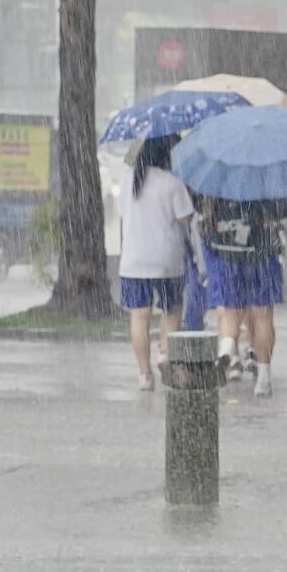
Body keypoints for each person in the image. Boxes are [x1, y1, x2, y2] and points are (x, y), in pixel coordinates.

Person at [198, 195, 287, 398]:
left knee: (230, 310)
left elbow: (199, 204)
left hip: (225, 246)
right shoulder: (267, 170)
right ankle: (263, 377)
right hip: (262, 248)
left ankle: (227, 347)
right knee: (263, 315)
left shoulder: (218, 169)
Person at [117, 134, 193, 391]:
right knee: (171, 309)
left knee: (139, 316)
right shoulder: (172, 181)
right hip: (166, 259)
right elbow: (185, 217)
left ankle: (144, 374)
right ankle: (164, 354)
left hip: (133, 259)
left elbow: (121, 211)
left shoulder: (128, 179)